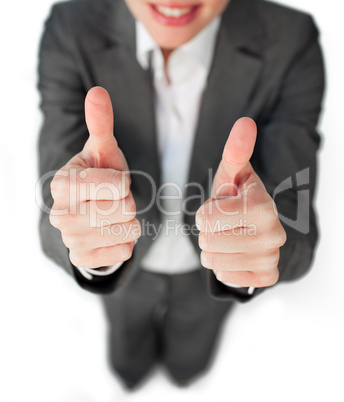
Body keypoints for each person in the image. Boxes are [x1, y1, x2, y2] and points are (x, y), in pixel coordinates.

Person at [38, 0, 325, 389]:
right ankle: (130, 377)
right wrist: (87, 243)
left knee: (191, 356)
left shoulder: (291, 39)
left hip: (209, 278)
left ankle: (184, 378)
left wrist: (257, 252)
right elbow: (55, 198)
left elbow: (296, 222)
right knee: (126, 352)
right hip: (124, 271)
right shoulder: (70, 26)